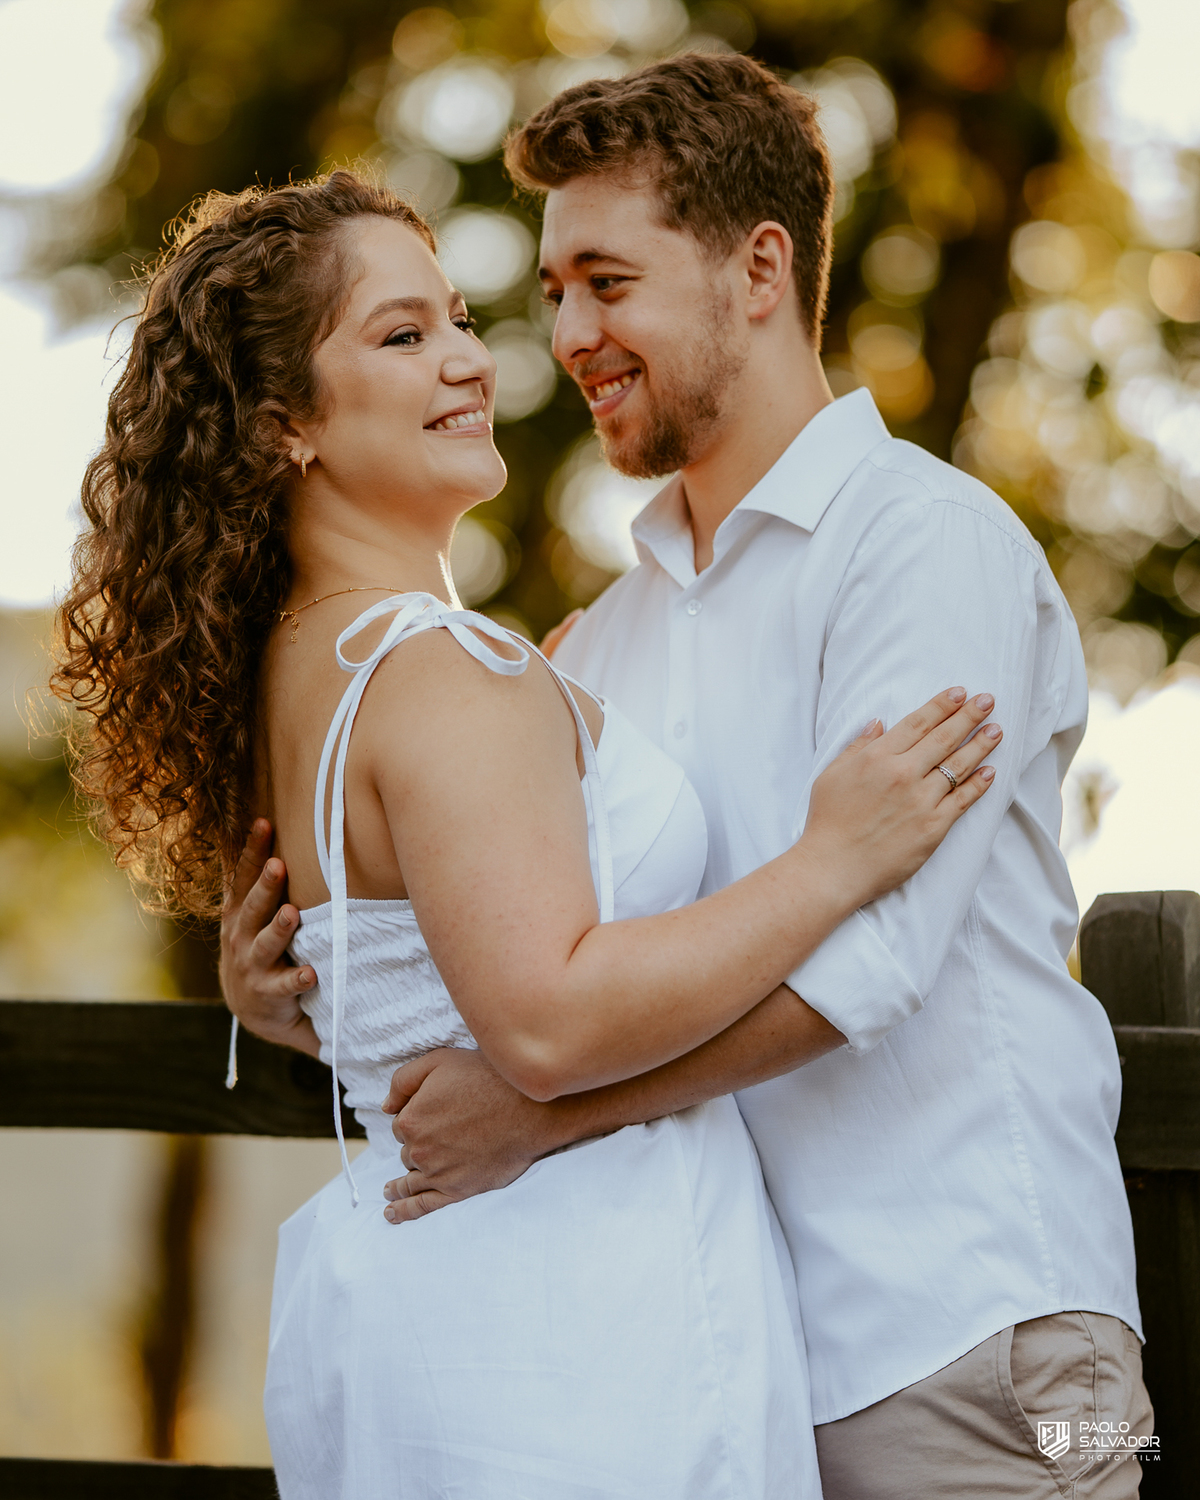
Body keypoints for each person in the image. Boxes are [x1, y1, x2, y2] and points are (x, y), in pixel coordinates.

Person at [223, 52, 1153, 1499]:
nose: (568, 334)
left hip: (989, 1341)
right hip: (742, 1350)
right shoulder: (610, 635)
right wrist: (299, 993)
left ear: (758, 269)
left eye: (608, 280)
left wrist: (542, 1115)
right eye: (552, 292)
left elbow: (873, 964)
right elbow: (544, 960)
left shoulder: (924, 544)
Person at [53, 168, 1000, 1498]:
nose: (467, 360)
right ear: (286, 429)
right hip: (576, 1327)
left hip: (436, 1317)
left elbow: (379, 973)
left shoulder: (298, 673)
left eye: (454, 318)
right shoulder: (441, 676)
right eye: (400, 335)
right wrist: (831, 860)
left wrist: (262, 995)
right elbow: (545, 1022)